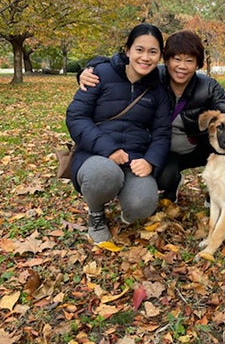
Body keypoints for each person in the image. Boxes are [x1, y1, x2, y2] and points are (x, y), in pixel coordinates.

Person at [78, 30, 225, 204]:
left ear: (198, 64)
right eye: (176, 59)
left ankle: (217, 191)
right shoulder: (153, 76)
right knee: (164, 176)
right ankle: (171, 184)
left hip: (197, 147)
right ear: (166, 60)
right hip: (164, 148)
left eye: (189, 61)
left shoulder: (208, 87)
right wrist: (88, 69)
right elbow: (119, 64)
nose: (182, 67)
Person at [65, 23, 173, 244]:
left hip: (134, 158)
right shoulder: (99, 75)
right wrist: (109, 149)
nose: (145, 57)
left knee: (143, 203)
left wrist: (151, 161)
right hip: (95, 154)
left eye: (153, 52)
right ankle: (96, 213)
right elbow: (76, 116)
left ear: (160, 56)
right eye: (139, 50)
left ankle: (127, 207)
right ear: (127, 50)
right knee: (104, 175)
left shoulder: (159, 91)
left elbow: (162, 133)